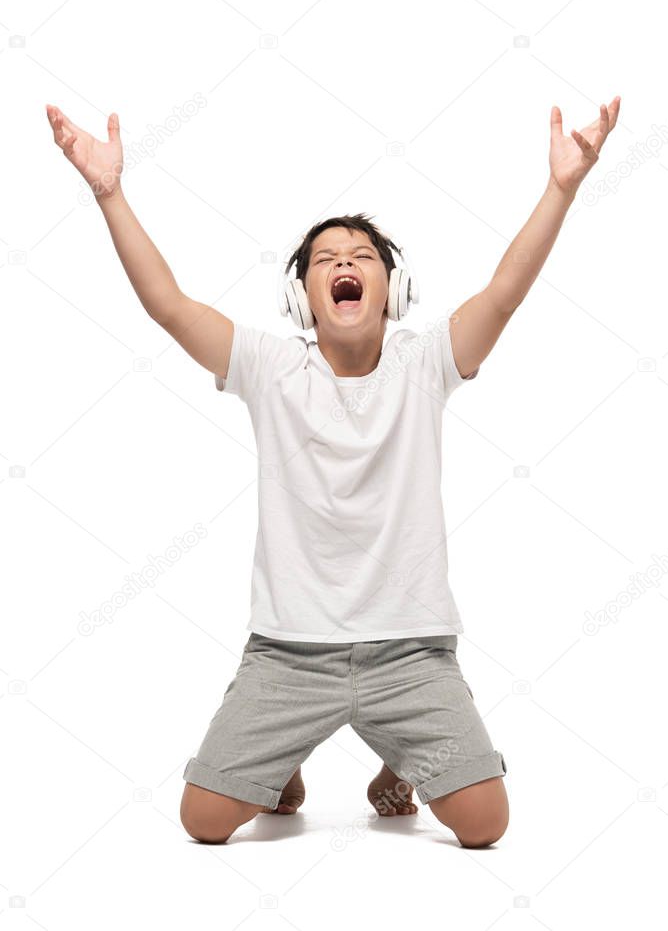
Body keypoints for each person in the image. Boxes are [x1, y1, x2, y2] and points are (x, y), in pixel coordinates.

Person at [46, 96, 620, 848]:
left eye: (361, 257)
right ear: (303, 297)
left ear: (393, 289)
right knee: (203, 822)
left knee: (484, 826)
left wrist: (562, 187)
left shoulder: (426, 364)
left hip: (409, 651)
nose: (343, 264)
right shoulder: (270, 366)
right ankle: (283, 759)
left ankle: (397, 761)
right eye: (324, 260)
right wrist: (108, 192)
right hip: (289, 653)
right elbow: (168, 304)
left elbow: (504, 292)